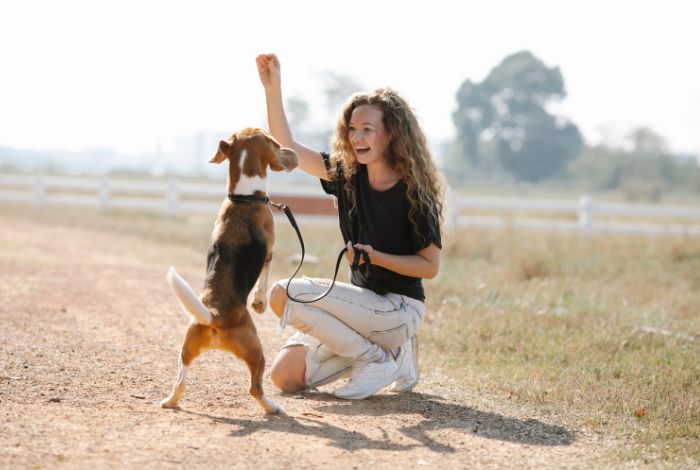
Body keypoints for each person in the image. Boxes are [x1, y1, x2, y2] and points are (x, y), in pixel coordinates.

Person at [256, 53, 444, 400]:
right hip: (362, 310)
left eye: (367, 129)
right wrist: (273, 89)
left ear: (392, 135)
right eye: (352, 129)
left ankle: (375, 358)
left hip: (399, 310)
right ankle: (394, 359)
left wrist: (376, 257)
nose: (357, 137)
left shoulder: (416, 192)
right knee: (286, 378)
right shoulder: (346, 175)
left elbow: (430, 267)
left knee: (282, 293)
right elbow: (289, 149)